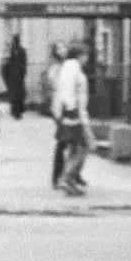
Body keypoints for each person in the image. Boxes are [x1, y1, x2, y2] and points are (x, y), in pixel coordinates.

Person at [53, 39, 92, 195]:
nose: (87, 58)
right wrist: (73, 110)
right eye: (86, 55)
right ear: (79, 55)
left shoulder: (71, 68)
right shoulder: (72, 69)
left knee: (75, 148)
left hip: (73, 113)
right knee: (83, 147)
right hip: (74, 114)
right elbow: (69, 91)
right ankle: (67, 178)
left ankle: (69, 179)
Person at [45, 43, 68, 185]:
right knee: (63, 141)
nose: (63, 50)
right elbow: (58, 86)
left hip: (67, 107)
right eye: (60, 48)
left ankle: (62, 175)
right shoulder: (54, 69)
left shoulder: (67, 67)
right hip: (60, 108)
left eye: (64, 47)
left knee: (66, 142)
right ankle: (59, 176)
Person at [2, 34, 28, 120]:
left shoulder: (11, 50)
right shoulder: (22, 50)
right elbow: (25, 63)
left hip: (13, 75)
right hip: (19, 75)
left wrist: (6, 75)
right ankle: (18, 112)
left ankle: (15, 112)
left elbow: (7, 63)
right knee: (19, 95)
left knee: (14, 94)